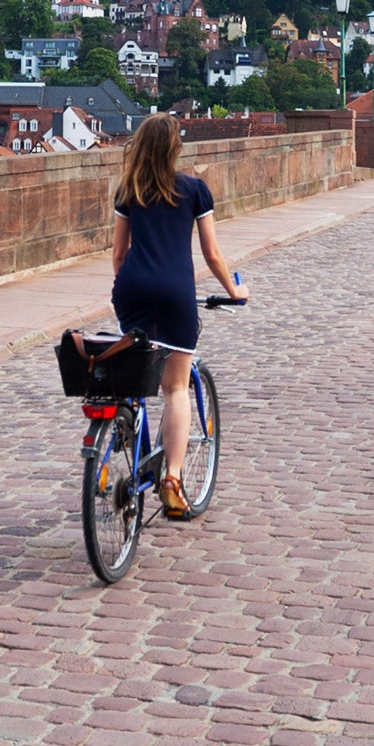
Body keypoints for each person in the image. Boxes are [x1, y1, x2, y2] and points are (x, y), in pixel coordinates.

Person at [107, 113, 241, 520]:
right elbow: (212, 255)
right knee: (176, 388)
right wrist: (236, 291)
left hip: (132, 290)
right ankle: (172, 479)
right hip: (174, 293)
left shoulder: (128, 190)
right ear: (175, 148)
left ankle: (125, 422)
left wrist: (131, 287)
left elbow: (117, 254)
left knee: (135, 368)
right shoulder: (194, 190)